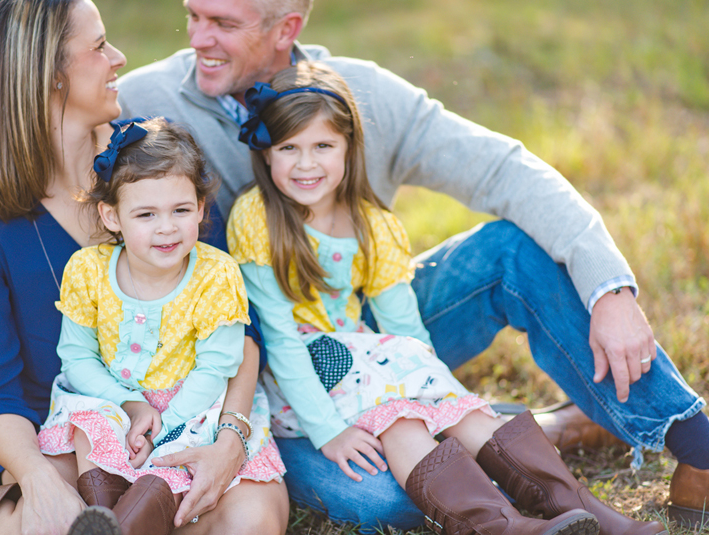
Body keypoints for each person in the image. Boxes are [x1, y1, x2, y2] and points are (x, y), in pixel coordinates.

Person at [111, 0, 709, 532]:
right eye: (192, 15)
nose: (196, 38)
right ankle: (540, 444)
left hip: (370, 333)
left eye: (223, 23)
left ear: (285, 27)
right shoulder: (145, 100)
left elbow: (503, 170)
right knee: (385, 500)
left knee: (508, 251)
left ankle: (693, 446)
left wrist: (611, 288)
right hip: (260, 372)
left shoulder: (362, 96)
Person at [227, 60, 669, 535]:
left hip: (364, 364)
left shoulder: (372, 224)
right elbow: (281, 340)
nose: (306, 163)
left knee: (454, 406)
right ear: (265, 152)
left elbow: (404, 327)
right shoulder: (257, 218)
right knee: (399, 417)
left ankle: (580, 508)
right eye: (288, 148)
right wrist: (328, 432)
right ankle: (499, 525)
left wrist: (438, 395)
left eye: (322, 146)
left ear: (349, 147)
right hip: (297, 384)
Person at [0, 0, 289, 534]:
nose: (118, 57)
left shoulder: (157, 160)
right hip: (74, 436)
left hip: (199, 418)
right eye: (98, 46)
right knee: (48, 525)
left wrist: (231, 440)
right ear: (48, 75)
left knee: (251, 522)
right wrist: (39, 482)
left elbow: (241, 331)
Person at [37, 118, 285, 532]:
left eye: (181, 210)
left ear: (201, 209)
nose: (167, 227)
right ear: (111, 215)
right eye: (146, 214)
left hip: (195, 403)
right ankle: (105, 507)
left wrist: (164, 428)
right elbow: (77, 358)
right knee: (89, 423)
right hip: (114, 397)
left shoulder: (215, 273)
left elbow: (217, 366)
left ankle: (139, 512)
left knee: (183, 450)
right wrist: (130, 405)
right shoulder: (86, 269)